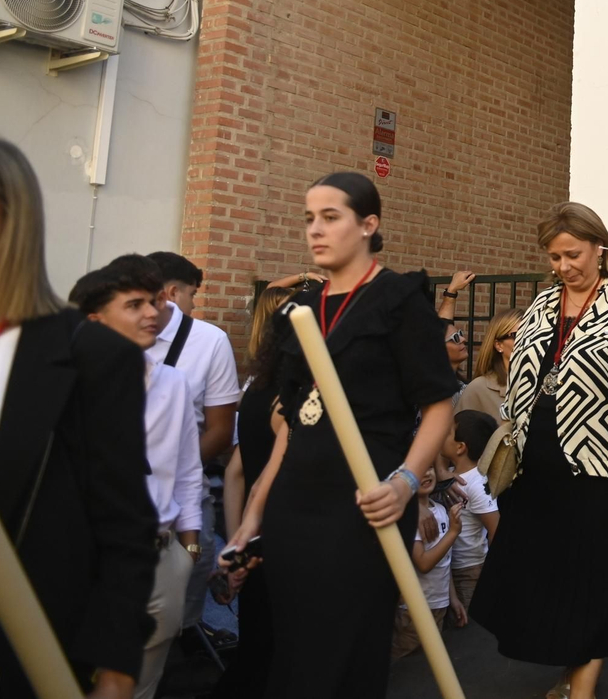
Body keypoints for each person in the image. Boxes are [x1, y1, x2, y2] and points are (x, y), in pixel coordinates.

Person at [0, 137, 156, 698]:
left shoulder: (89, 356)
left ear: (12, 216)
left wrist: (115, 669)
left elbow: (123, 525)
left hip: (7, 661)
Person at [225, 172, 457, 698]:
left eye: (330, 217)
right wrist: (253, 515)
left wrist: (404, 482)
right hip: (294, 508)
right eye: (309, 218)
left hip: (365, 504)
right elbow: (292, 423)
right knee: (293, 656)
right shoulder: (297, 311)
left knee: (344, 655)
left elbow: (439, 405)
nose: (315, 230)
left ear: (368, 225)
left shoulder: (398, 300)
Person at [471, 202, 608, 699]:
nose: (563, 266)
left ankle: (583, 687)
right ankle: (570, 673)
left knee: (597, 582)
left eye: (572, 254)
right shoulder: (543, 305)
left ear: (598, 247)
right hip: (540, 468)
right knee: (548, 580)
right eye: (554, 257)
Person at [69, 257, 203, 699]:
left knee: (140, 686)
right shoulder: (63, 384)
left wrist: (188, 549)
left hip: (160, 558)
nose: (153, 312)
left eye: (155, 301)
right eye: (134, 304)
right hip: (81, 559)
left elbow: (186, 470)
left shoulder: (175, 384)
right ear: (94, 320)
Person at [145, 250, 242, 638]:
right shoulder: (111, 335)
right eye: (194, 295)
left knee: (183, 584)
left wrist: (169, 471)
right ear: (172, 292)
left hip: (186, 494)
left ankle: (178, 643)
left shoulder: (209, 341)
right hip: (117, 498)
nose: (194, 304)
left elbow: (220, 429)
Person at [211, 284, 293, 699]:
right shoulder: (293, 397)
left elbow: (236, 473)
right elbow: (262, 476)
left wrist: (237, 542)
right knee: (279, 651)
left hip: (257, 540)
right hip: (287, 542)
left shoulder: (256, 390)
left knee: (257, 645)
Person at [390, 467, 462, 661]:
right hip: (414, 611)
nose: (426, 473)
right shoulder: (409, 517)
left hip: (438, 604)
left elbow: (444, 562)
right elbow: (423, 563)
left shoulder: (439, 510)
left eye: (429, 467)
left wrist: (452, 599)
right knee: (408, 666)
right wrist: (453, 533)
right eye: (417, 470)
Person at [443, 409, 500, 619]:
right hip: (450, 567)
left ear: (460, 447)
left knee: (467, 624)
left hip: (469, 570)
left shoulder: (475, 483)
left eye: (447, 432)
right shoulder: (448, 474)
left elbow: (495, 529)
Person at [454, 307, 519, 419]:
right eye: (516, 335)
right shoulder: (478, 389)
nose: (526, 340)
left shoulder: (543, 385)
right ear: (498, 345)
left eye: (530, 334)